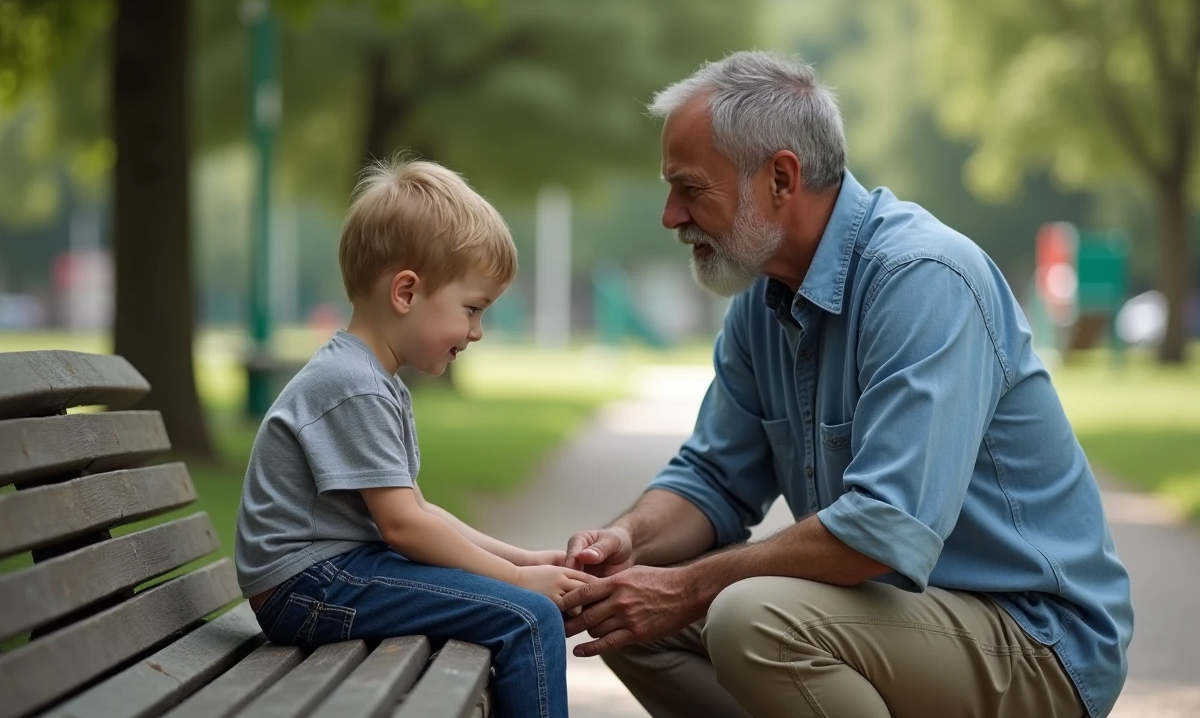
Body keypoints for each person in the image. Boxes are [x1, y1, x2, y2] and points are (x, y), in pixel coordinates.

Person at [561, 51, 1133, 718]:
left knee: (755, 619)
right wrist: (625, 541)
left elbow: (883, 528)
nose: (669, 215)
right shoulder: (762, 301)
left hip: (1037, 642)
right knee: (622, 614)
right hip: (898, 621)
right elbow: (714, 480)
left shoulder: (923, 279)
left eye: (690, 188)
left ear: (781, 177)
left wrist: (686, 589)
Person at [234, 157, 591, 718]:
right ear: (406, 292)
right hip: (309, 587)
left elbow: (419, 510)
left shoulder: (374, 379)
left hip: (331, 574)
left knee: (522, 605)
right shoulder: (355, 384)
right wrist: (521, 580)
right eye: (472, 310)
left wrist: (523, 559)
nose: (476, 332)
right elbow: (405, 527)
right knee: (529, 616)